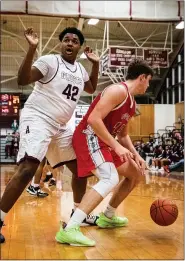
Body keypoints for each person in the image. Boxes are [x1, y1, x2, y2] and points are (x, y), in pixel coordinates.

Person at [0, 26, 99, 243]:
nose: (70, 43)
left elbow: (91, 88)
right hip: (38, 118)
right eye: (66, 40)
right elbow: (22, 79)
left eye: (74, 40)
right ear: (61, 43)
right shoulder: (49, 61)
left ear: (79, 47)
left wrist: (96, 64)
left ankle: (77, 214)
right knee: (27, 168)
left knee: (81, 171)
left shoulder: (80, 71)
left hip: (61, 126)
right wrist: (32, 49)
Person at [55, 59, 153, 246]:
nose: (148, 85)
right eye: (148, 80)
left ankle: (107, 216)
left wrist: (137, 155)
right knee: (110, 178)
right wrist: (115, 146)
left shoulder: (131, 103)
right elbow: (93, 119)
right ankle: (69, 229)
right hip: (88, 136)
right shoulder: (118, 91)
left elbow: (123, 135)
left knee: (135, 173)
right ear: (142, 77)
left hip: (104, 141)